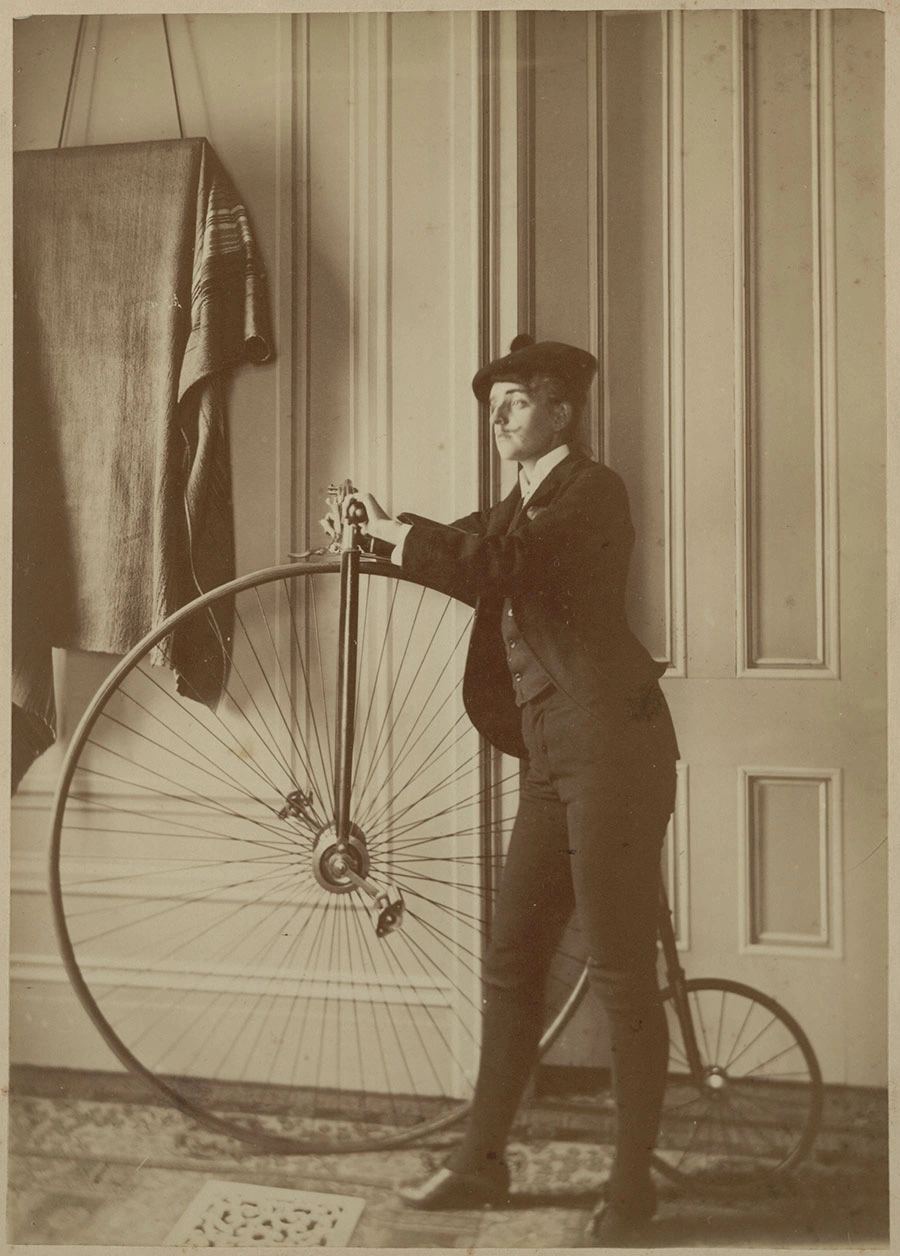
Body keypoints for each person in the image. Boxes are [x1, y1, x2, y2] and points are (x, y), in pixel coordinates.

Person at [327, 335, 679, 1245]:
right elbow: (465, 552)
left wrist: (407, 534)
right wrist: (374, 528)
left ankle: (633, 1189)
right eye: (493, 403)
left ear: (563, 411)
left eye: (517, 400)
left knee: (619, 977)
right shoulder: (517, 506)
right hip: (552, 762)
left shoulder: (593, 492)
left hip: (617, 757)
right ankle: (482, 1163)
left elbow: (496, 565)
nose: (499, 415)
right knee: (512, 962)